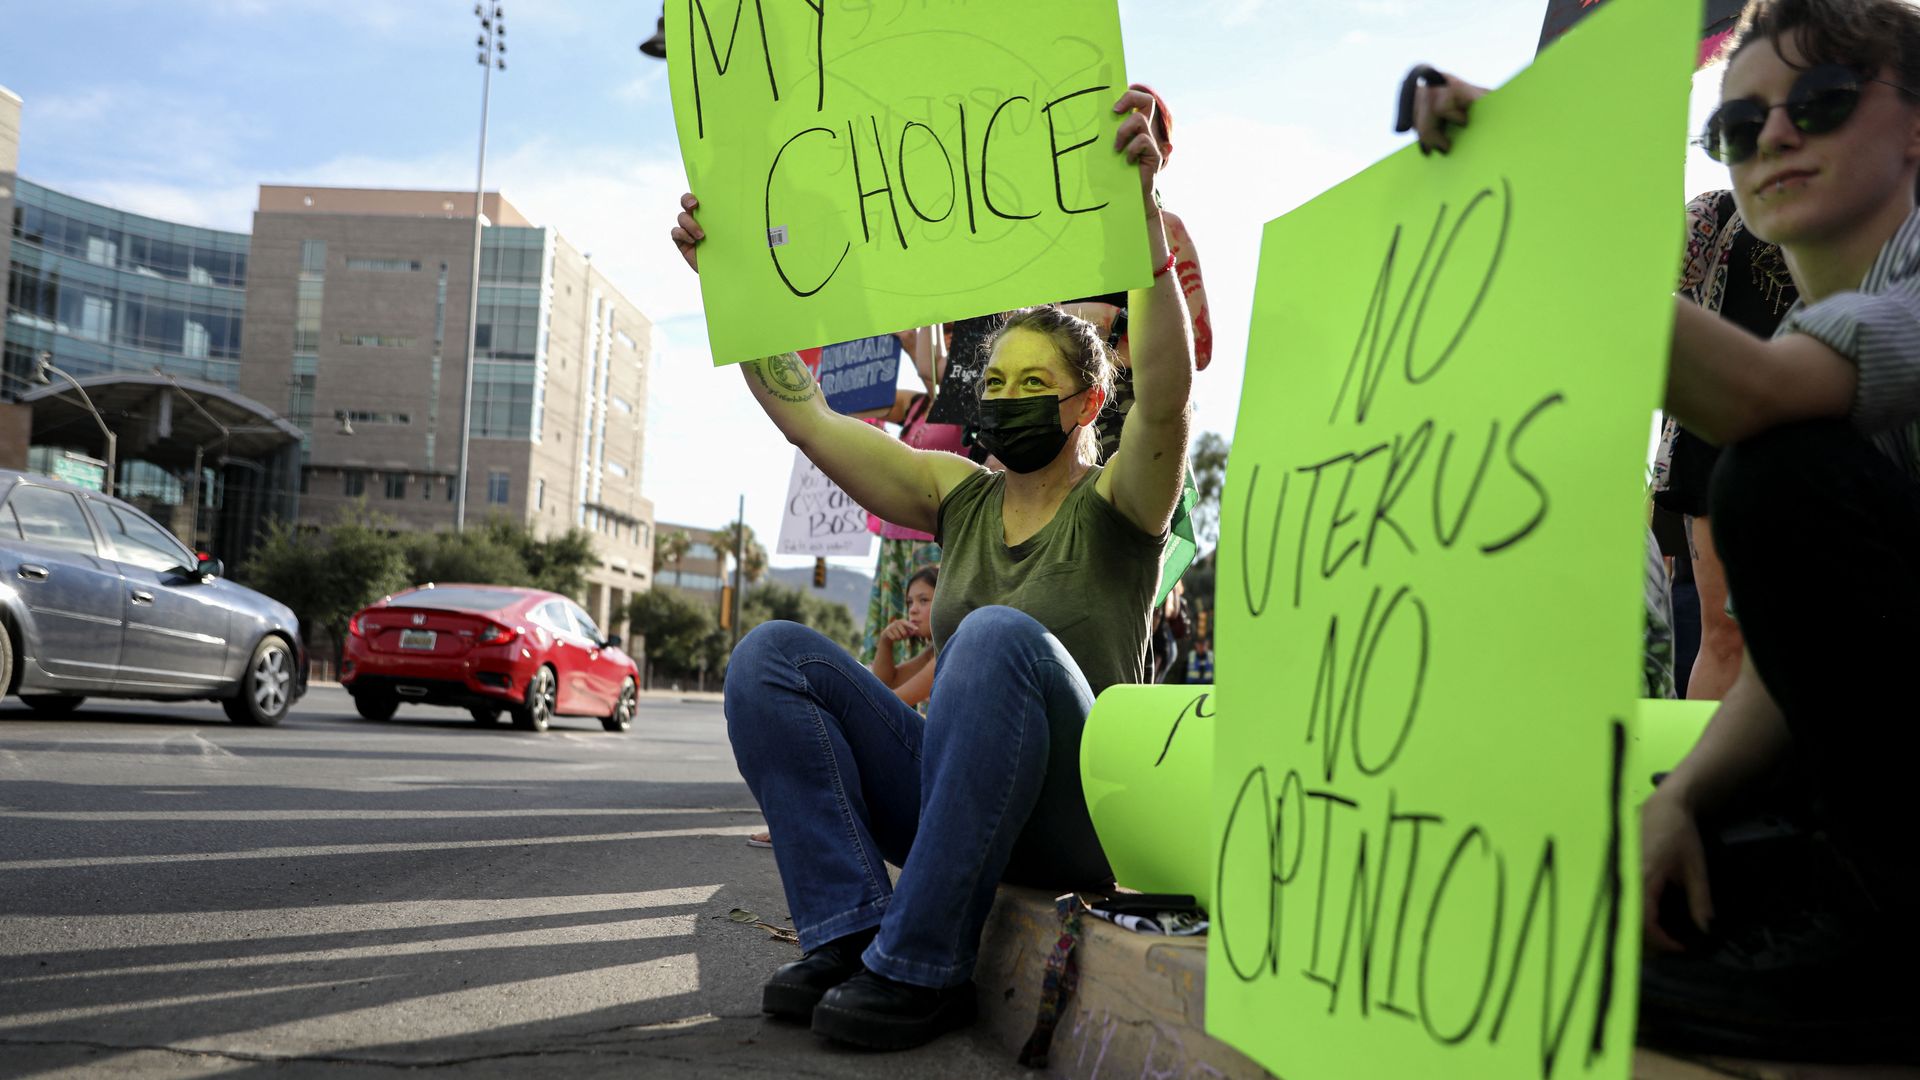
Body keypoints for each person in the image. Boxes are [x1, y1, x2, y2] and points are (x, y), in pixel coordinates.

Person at [1406, 0, 1920, 1060]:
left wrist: (1531, 197)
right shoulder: (1822, 321)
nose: (1774, 137)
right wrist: (1680, 795)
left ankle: (1887, 947)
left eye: (1822, 101)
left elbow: (1761, 398)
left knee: (1772, 475)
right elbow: (1811, 658)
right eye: (1737, 126)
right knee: (1649, 876)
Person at [669, 87, 1193, 1052]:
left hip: (1073, 819)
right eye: (994, 383)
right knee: (770, 659)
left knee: (993, 637)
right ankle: (851, 933)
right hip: (953, 796)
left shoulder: (1121, 503)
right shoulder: (960, 496)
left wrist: (1143, 213)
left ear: (1087, 405)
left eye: (1034, 384)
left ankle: (922, 966)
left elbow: (1164, 396)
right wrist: (732, 284)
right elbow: (811, 419)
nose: (1006, 398)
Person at [857, 329, 964, 667]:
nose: (948, 338)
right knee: (896, 630)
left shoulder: (969, 400)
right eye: (944, 330)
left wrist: (919, 347)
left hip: (934, 539)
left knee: (933, 636)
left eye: (954, 331)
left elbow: (938, 372)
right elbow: (858, 399)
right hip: (896, 539)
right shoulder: (916, 404)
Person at [868, 564, 939, 707]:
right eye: (910, 602)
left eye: (923, 600)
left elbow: (887, 704)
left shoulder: (951, 648)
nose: (912, 610)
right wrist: (885, 640)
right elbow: (887, 684)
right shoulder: (933, 651)